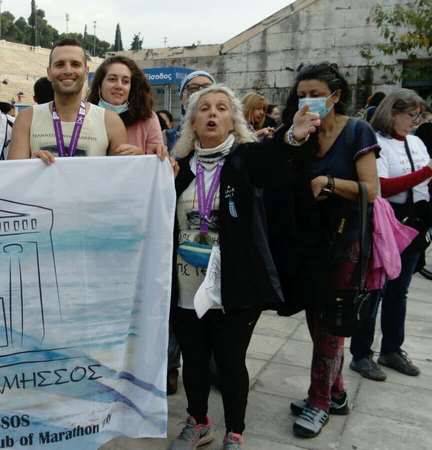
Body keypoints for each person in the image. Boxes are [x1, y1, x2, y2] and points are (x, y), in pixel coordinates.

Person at [167, 85, 319, 450]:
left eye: (221, 108)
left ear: (233, 120)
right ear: (192, 122)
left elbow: (276, 159)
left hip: (235, 285)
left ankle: (235, 431)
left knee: (230, 361)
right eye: (204, 108)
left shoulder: (246, 159)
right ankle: (198, 422)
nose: (212, 113)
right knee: (194, 360)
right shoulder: (178, 169)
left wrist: (294, 136)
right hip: (187, 283)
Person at [278, 62, 379, 439]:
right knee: (316, 319)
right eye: (302, 94)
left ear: (335, 96)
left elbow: (372, 189)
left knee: (331, 324)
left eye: (316, 94)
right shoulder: (301, 133)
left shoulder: (357, 131)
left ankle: (318, 401)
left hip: (345, 240)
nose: (308, 101)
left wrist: (330, 182)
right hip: (310, 241)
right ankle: (335, 393)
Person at [348, 89, 431, 381]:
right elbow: (383, 186)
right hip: (387, 221)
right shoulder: (376, 142)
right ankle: (361, 354)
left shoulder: (416, 142)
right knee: (374, 290)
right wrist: (426, 172)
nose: (415, 121)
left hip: (415, 222)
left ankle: (392, 348)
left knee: (400, 290)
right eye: (410, 115)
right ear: (392, 113)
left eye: (418, 116)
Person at [8, 38, 141, 162]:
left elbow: (121, 173)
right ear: (49, 73)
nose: (67, 70)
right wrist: (30, 164)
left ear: (86, 72)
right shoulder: (26, 119)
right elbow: (13, 175)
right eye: (60, 64)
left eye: (75, 64)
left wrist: (141, 160)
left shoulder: (111, 122)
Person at [86, 55, 167, 155]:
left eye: (125, 81)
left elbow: (159, 158)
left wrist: (141, 155)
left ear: (132, 87)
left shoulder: (148, 118)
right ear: (99, 84)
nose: (119, 86)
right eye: (112, 79)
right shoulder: (84, 116)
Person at [166, 70, 216, 150]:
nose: (200, 93)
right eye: (193, 89)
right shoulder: (168, 137)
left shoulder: (228, 137)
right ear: (181, 97)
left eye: (207, 88)